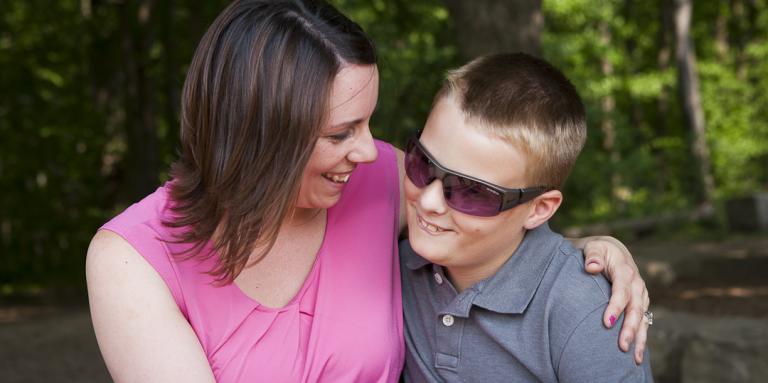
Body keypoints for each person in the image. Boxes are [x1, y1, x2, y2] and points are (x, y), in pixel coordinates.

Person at [86, 1, 650, 382]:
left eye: (370, 123)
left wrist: (596, 254)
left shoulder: (377, 177)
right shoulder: (133, 259)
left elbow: (490, 214)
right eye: (340, 133)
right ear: (260, 134)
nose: (368, 150)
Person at [400, 52, 653, 382]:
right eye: (422, 162)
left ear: (539, 209)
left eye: (471, 191)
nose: (429, 200)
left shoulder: (584, 311)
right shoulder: (394, 263)